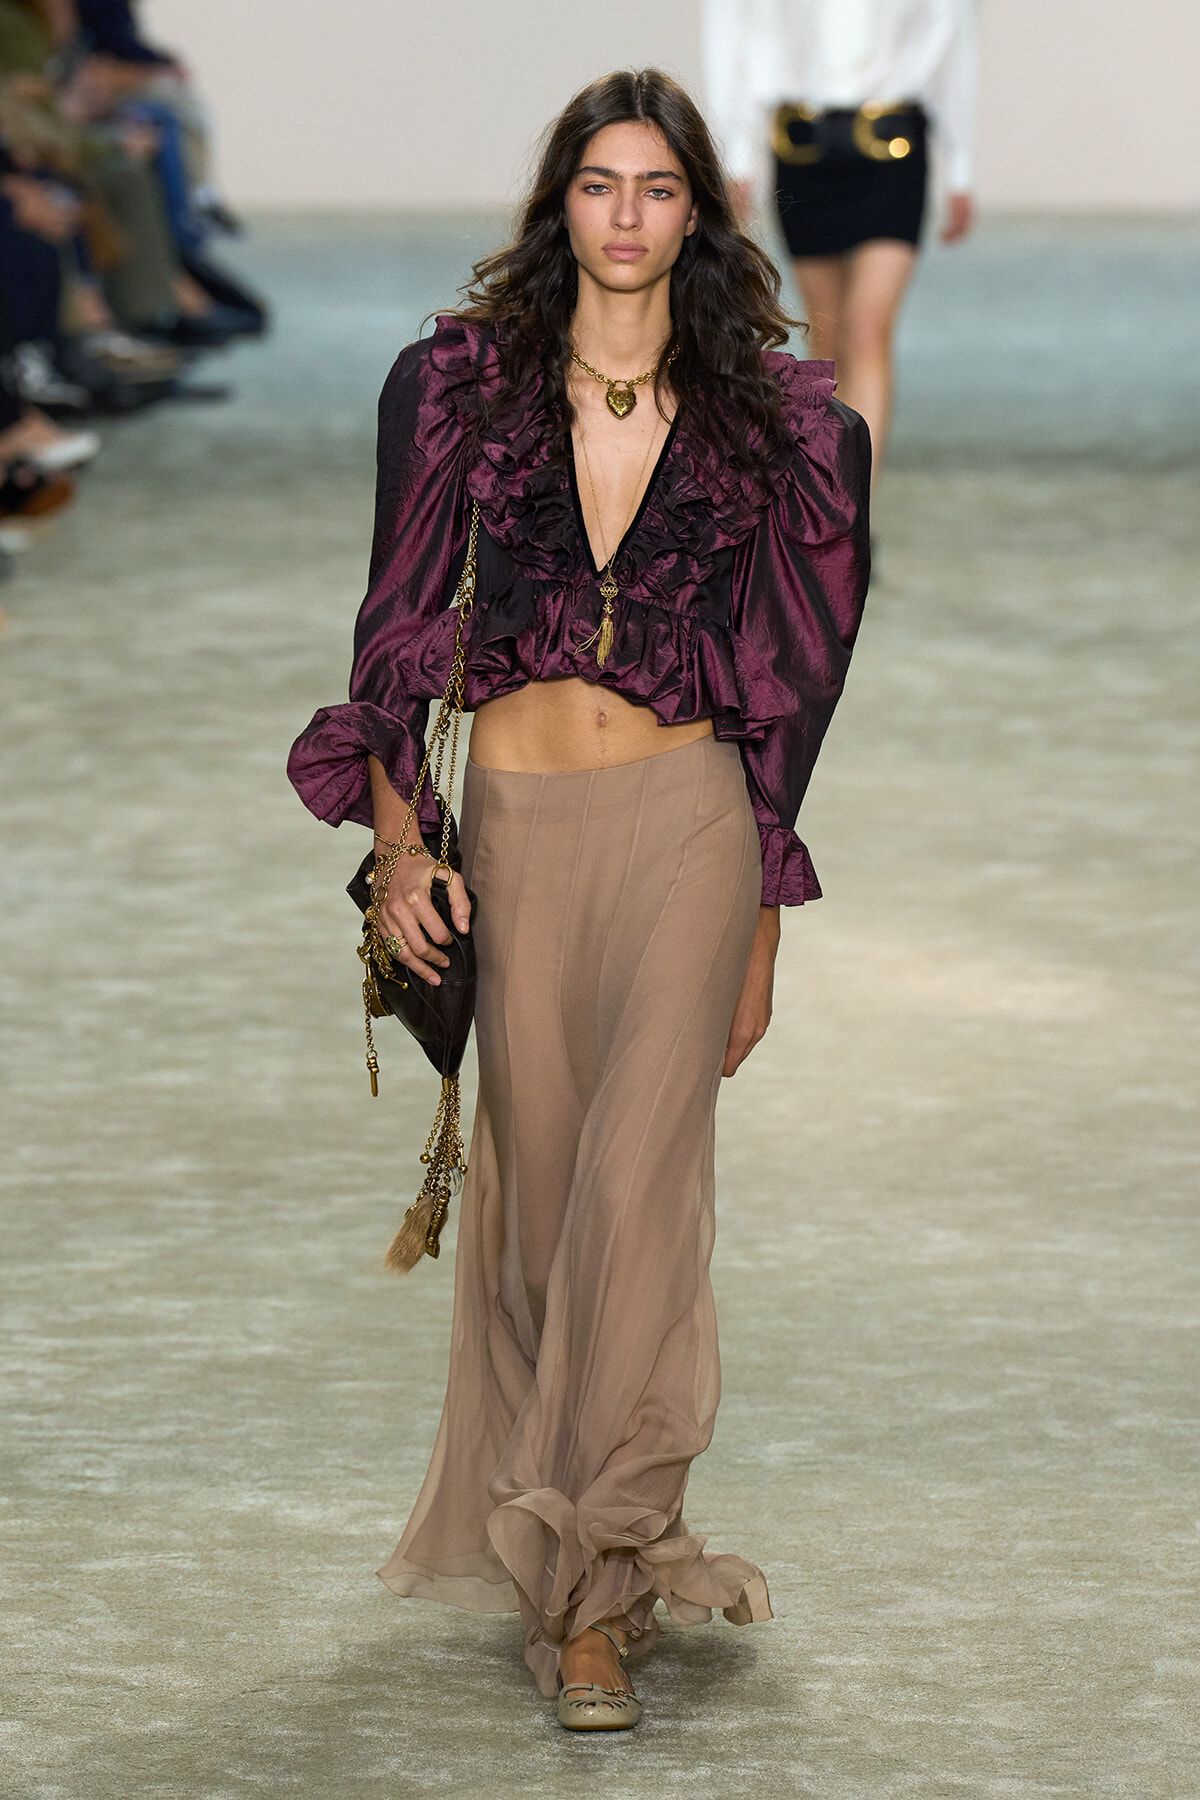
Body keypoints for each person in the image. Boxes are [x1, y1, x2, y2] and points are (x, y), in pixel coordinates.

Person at [287, 68, 869, 1730]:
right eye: (599, 185)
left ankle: (601, 1597)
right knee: (541, 1211)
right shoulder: (457, 389)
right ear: (561, 205)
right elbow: (399, 628)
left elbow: (788, 691)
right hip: (521, 827)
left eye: (658, 187)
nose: (627, 215)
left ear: (699, 212)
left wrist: (761, 919)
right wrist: (405, 847)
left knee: (636, 1189)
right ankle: (587, 1564)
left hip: (691, 815)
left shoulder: (785, 424)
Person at [703, 0, 976, 481]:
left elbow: (950, 28)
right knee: (826, 337)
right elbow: (735, 26)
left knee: (868, 328)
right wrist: (736, 153)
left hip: (894, 146)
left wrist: (962, 161)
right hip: (802, 147)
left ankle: (856, 507)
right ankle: (833, 503)